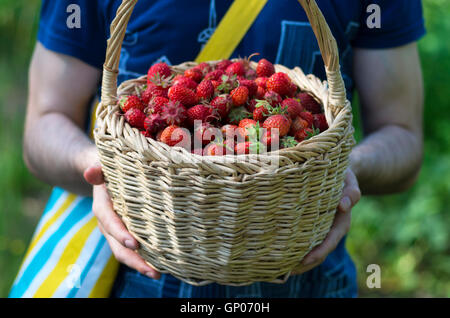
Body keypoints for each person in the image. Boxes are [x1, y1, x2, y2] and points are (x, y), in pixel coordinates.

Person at [10, 0, 425, 298]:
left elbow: (402, 135)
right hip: (139, 273)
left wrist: (337, 170)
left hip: (306, 274)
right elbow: (44, 123)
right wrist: (103, 166)